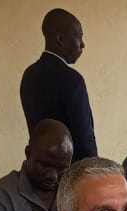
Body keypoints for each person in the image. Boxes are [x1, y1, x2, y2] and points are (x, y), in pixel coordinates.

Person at [20, 9, 96, 161]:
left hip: (39, 167)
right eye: (78, 36)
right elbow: (84, 141)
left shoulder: (29, 75)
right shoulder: (72, 80)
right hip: (70, 170)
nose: (82, 44)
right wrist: (95, 171)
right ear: (60, 38)